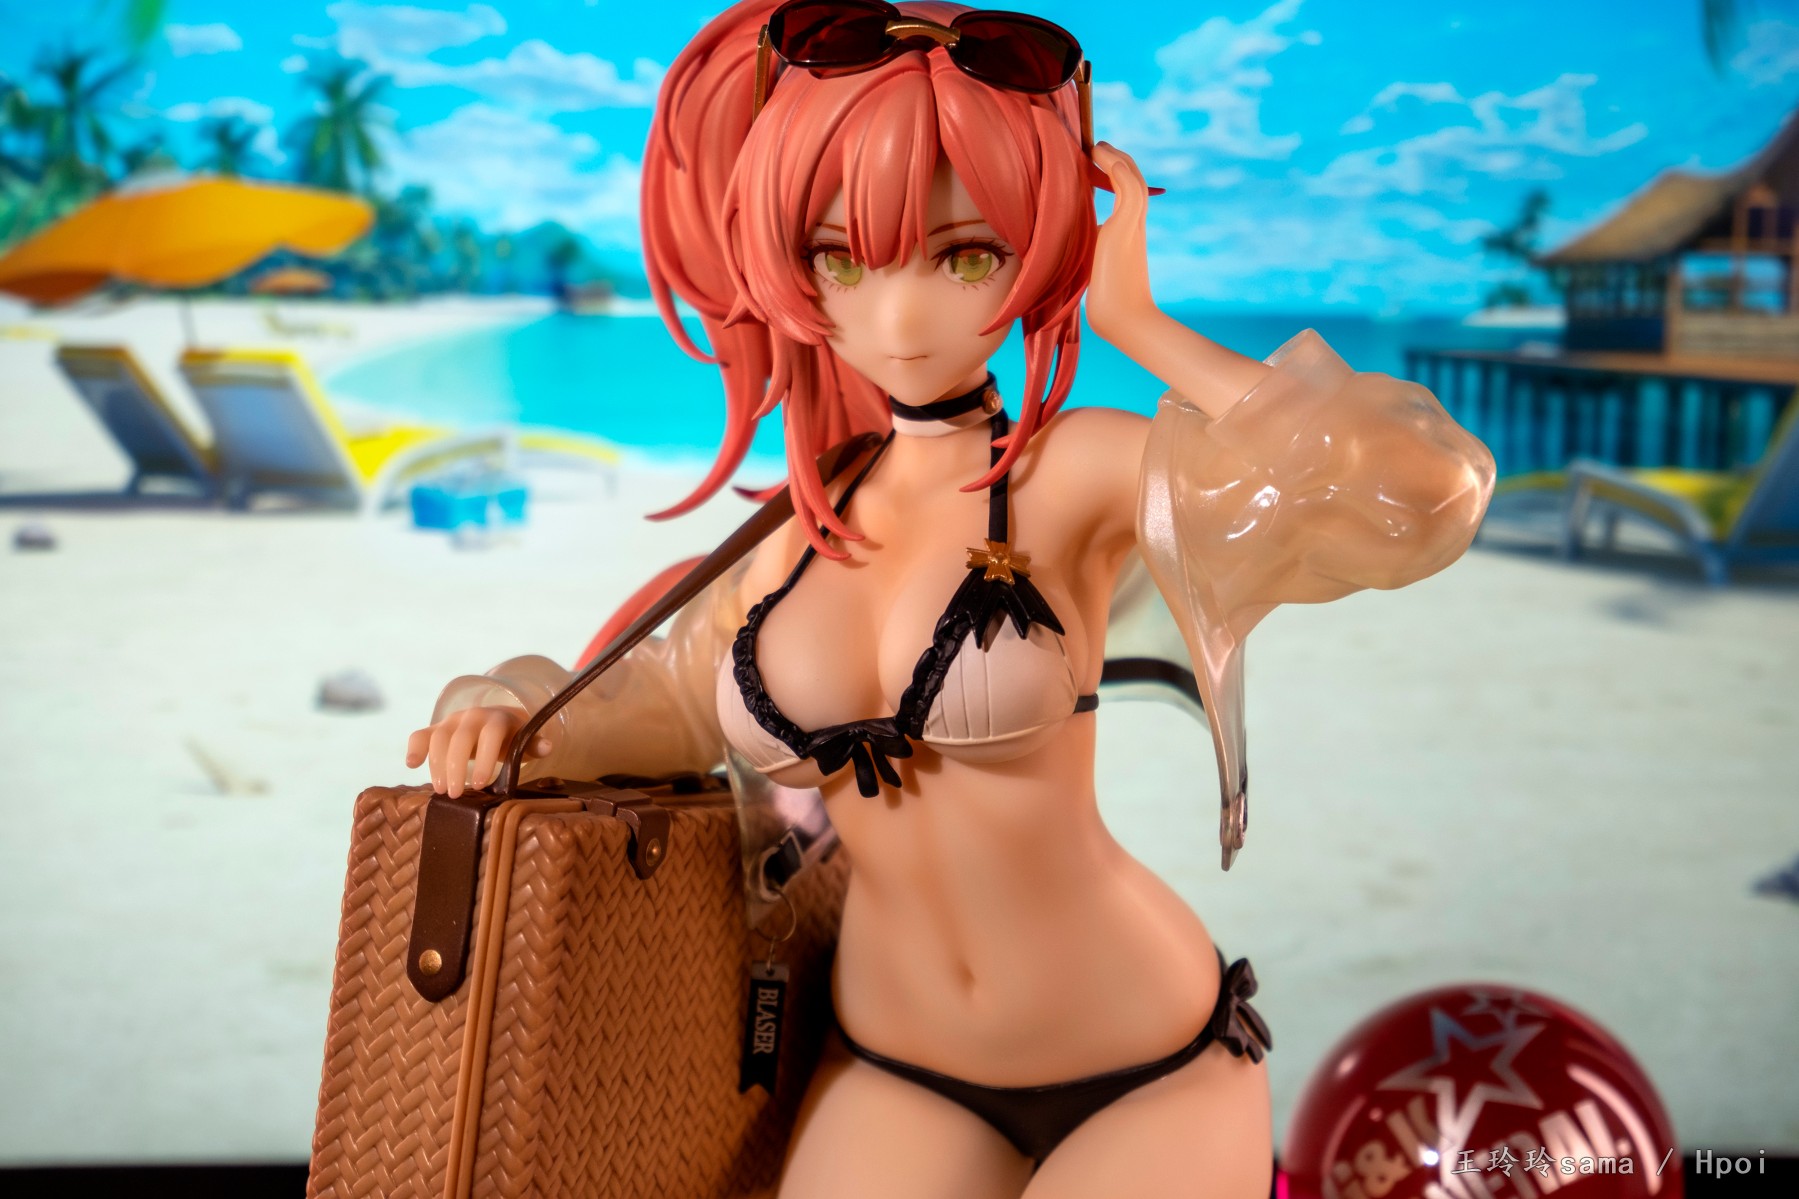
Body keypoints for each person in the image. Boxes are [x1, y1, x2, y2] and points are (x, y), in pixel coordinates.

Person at [405, 3, 1496, 1195]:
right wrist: (500, 699)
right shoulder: (792, 537)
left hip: (1142, 1058)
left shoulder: (1069, 474)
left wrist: (1135, 324)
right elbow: (654, 698)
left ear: (1039, 247)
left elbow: (1417, 492)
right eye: (840, 259)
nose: (901, 314)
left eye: (966, 255)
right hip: (894, 1063)